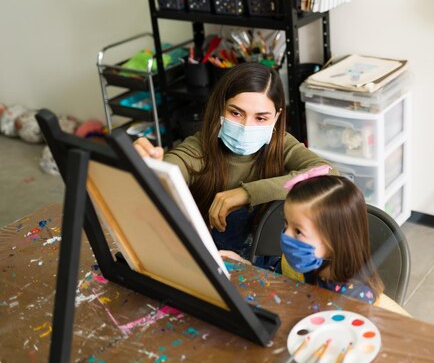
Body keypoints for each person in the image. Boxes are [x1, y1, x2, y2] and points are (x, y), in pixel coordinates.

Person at [134, 62, 335, 259]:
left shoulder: (280, 144)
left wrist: (246, 193)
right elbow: (171, 168)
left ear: (276, 116)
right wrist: (152, 168)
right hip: (214, 260)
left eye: (261, 118)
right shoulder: (199, 148)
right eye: (236, 113)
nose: (246, 126)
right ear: (220, 108)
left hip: (268, 260)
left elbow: (328, 174)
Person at [221, 171, 385, 305]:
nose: (286, 235)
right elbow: (280, 282)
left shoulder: (356, 299)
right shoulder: (301, 263)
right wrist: (247, 267)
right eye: (286, 224)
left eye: (298, 231)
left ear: (335, 240)